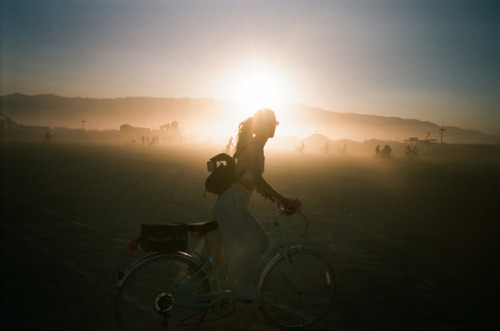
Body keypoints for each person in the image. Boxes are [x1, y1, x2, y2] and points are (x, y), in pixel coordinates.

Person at [198, 108, 293, 300]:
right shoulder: (255, 147)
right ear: (263, 127)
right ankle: (238, 286)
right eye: (271, 124)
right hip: (233, 202)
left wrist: (272, 197)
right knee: (260, 242)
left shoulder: (254, 145)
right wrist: (282, 198)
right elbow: (257, 180)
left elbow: (251, 182)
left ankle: (225, 287)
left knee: (222, 251)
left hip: (231, 201)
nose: (274, 128)